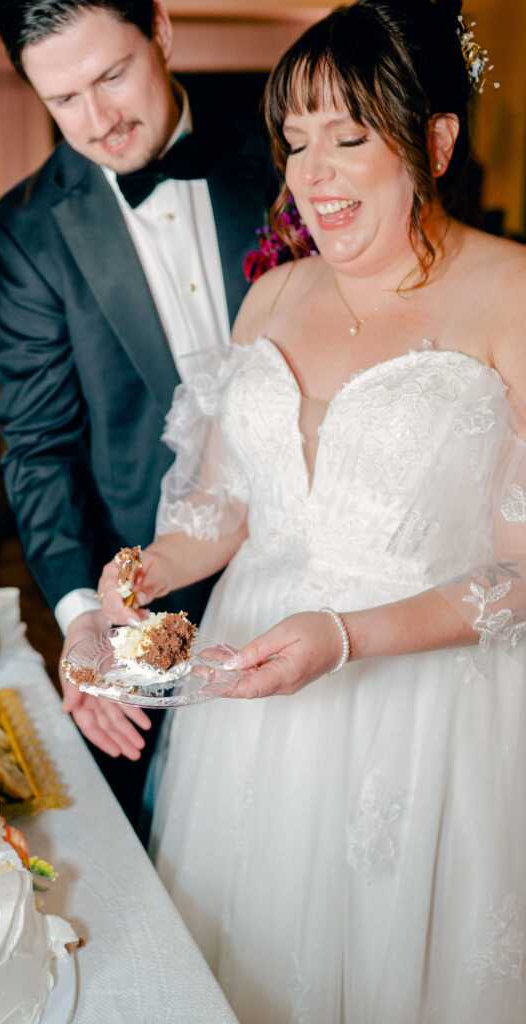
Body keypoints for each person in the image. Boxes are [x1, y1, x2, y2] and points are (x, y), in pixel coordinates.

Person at [94, 0, 526, 1020]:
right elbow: (226, 509)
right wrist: (143, 572)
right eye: (294, 142)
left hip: (429, 712)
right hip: (250, 704)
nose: (312, 176)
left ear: (434, 139)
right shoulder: (273, 297)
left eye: (346, 137)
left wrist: (344, 636)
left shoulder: (511, 295)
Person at [0, 0, 277, 827]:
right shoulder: (26, 232)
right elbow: (39, 449)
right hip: (144, 595)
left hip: (309, 552)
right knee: (166, 816)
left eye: (112, 75)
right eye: (64, 100)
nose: (100, 121)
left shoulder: (283, 154)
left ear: (162, 31)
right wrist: (82, 624)